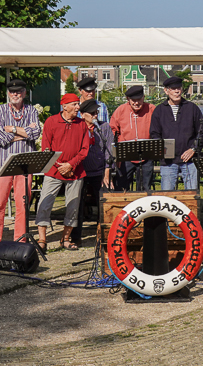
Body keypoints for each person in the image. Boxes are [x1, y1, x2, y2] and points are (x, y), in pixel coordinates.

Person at [0, 79, 43, 252]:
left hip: (25, 165)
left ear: (24, 93)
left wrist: (12, 129)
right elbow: (0, 139)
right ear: (8, 93)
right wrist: (24, 131)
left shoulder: (31, 110)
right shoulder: (0, 110)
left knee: (23, 203)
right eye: (12, 91)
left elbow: (36, 133)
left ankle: (20, 238)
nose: (15, 94)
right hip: (2, 163)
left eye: (18, 91)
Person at [36, 93, 91, 251]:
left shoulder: (81, 124)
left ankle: (65, 239)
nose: (77, 107)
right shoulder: (51, 121)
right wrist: (61, 166)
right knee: (44, 204)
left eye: (78, 104)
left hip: (75, 172)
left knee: (73, 207)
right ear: (64, 106)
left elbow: (84, 149)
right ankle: (42, 240)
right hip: (53, 171)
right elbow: (46, 148)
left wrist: (71, 165)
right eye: (74, 104)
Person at [150, 75, 203, 191]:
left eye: (179, 88)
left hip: (190, 160)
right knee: (167, 195)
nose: (177, 91)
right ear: (166, 91)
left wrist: (193, 149)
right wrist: (163, 150)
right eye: (173, 88)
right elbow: (154, 133)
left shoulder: (192, 108)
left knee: (191, 195)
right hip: (168, 161)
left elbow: (201, 132)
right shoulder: (159, 110)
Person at [72, 99, 114, 247]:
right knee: (77, 204)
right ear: (82, 114)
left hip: (99, 171)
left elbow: (109, 151)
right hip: (81, 171)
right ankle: (75, 236)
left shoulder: (104, 127)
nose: (95, 116)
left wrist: (107, 172)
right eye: (92, 113)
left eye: (96, 113)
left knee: (103, 203)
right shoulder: (76, 127)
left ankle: (103, 234)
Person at [109, 85, 155, 191]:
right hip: (126, 156)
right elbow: (113, 130)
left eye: (139, 100)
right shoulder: (120, 110)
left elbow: (158, 129)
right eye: (133, 100)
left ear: (143, 97)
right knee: (121, 187)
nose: (136, 103)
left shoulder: (151, 109)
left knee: (145, 188)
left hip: (146, 155)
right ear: (128, 100)